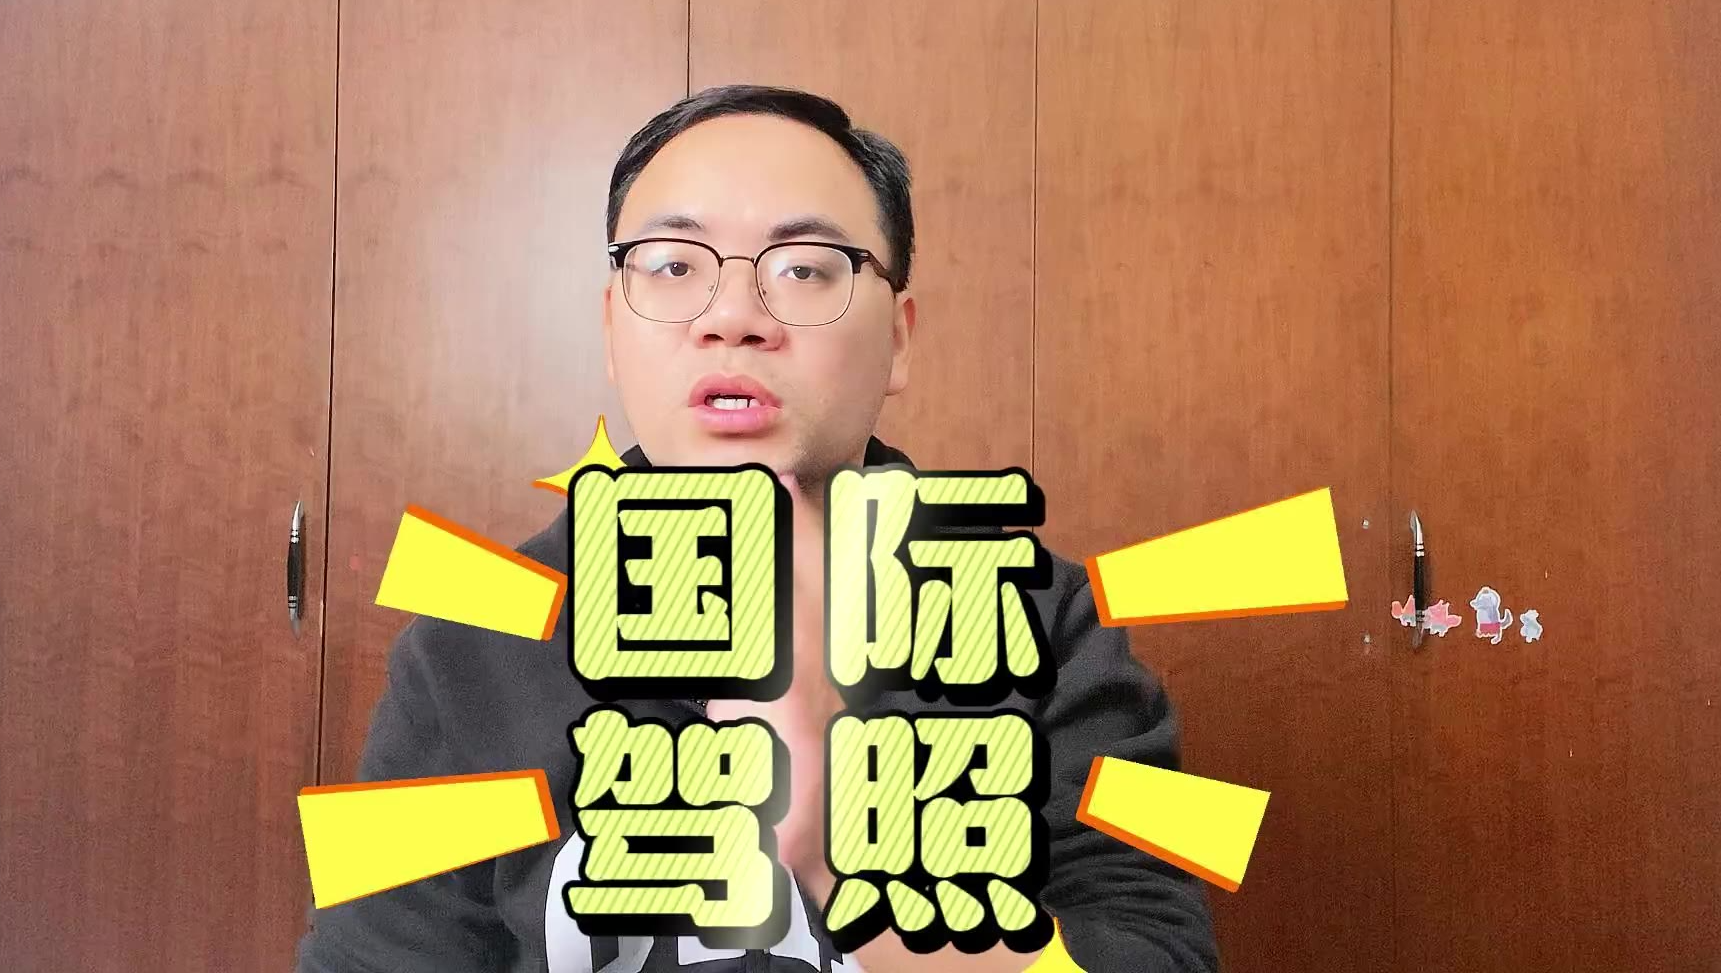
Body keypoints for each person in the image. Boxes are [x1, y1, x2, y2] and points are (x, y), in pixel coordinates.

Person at [295, 85, 1219, 972]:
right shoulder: (470, 648)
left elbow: (1159, 951)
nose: (733, 318)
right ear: (612, 329)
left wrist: (830, 848)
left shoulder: (1050, 622)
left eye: (805, 269)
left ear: (898, 340)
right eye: (673, 266)